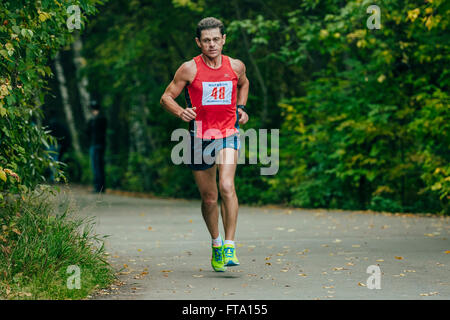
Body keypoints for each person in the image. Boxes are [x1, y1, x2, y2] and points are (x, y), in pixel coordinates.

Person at [160, 17, 250, 272]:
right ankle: (217, 243)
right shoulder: (189, 69)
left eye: (216, 39)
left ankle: (230, 245)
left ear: (224, 40)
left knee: (226, 185)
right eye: (206, 40)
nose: (212, 44)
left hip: (228, 132)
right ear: (198, 42)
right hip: (199, 136)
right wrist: (180, 112)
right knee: (210, 198)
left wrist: (241, 108)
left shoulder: (235, 66)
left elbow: (244, 84)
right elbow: (166, 97)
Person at [86, 100, 107, 193]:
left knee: (97, 166)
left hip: (96, 145)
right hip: (98, 145)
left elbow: (88, 131)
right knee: (99, 166)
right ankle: (100, 186)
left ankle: (98, 186)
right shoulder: (101, 119)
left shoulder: (97, 120)